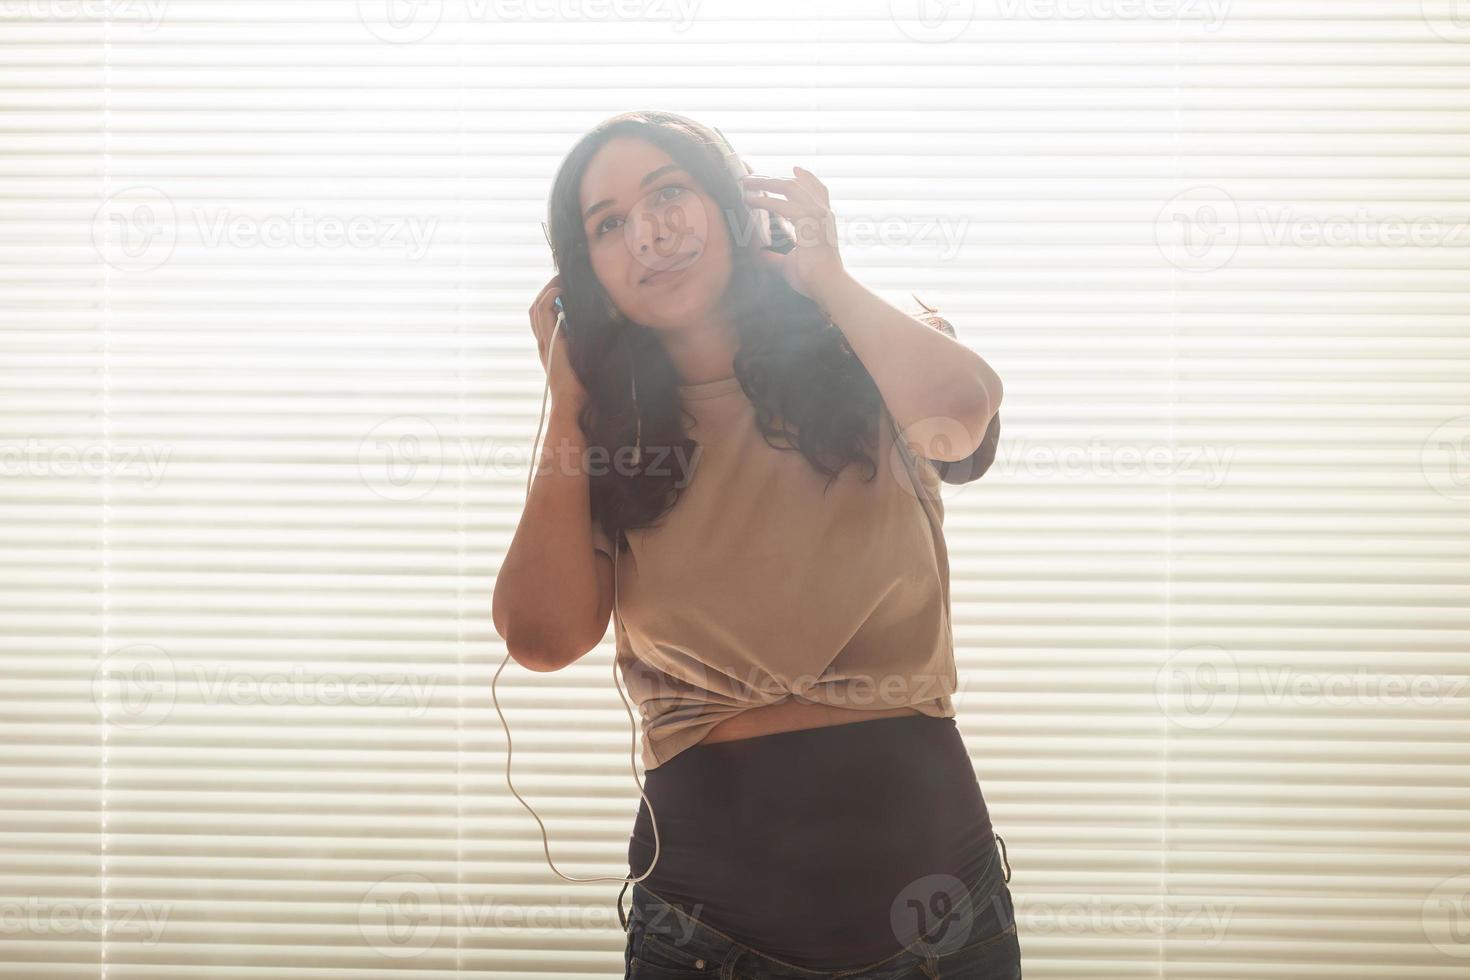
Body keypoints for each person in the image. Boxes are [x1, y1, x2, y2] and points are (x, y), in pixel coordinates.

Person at [492, 110, 1019, 979]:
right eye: (609, 224)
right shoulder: (610, 439)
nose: (651, 232)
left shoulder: (866, 348)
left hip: (941, 916)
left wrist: (829, 279)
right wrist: (567, 395)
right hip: (708, 937)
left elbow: (960, 418)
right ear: (584, 273)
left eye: (670, 194)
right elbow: (539, 639)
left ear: (734, 206)